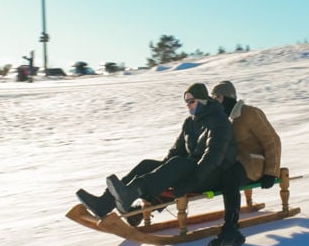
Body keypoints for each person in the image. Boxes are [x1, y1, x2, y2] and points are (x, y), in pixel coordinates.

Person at [78, 84, 239, 224]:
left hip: (211, 176)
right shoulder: (190, 122)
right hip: (191, 172)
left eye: (191, 101)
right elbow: (176, 151)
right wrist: (161, 171)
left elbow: (212, 158)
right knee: (147, 165)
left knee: (181, 163)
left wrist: (190, 182)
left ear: (202, 100)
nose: (188, 105)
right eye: (186, 102)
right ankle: (104, 204)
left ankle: (132, 193)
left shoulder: (220, 121)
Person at [207, 80, 283, 246]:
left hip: (255, 164)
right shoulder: (224, 119)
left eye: (217, 97)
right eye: (213, 97)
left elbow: (272, 140)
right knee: (217, 175)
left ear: (228, 97)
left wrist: (271, 172)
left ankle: (230, 229)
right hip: (235, 164)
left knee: (229, 178)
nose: (215, 101)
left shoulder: (249, 113)